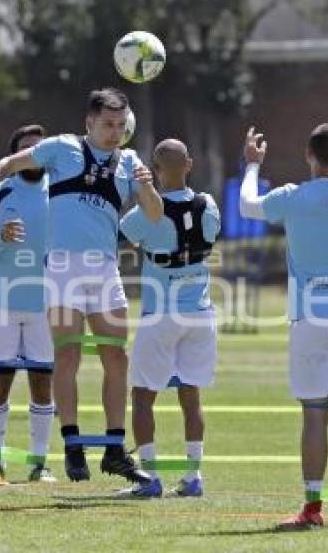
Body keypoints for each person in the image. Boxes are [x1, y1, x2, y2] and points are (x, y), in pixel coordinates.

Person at [0, 88, 162, 484]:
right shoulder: (62, 149)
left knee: (117, 357)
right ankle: (72, 445)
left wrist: (148, 187)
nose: (115, 132)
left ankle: (115, 448)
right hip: (64, 266)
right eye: (107, 125)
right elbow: (5, 164)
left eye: (121, 125)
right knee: (67, 357)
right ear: (89, 123)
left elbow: (153, 216)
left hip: (104, 268)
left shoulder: (130, 162)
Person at [239, 124, 328, 529]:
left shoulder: (293, 197)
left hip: (309, 319)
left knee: (315, 416)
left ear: (309, 156)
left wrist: (252, 165)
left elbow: (248, 206)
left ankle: (314, 509)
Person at [118, 139, 220, 498]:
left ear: (156, 170)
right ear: (189, 163)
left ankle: (150, 479)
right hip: (200, 313)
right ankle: (193, 477)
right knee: (190, 396)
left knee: (143, 396)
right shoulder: (208, 205)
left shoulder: (145, 214)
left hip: (160, 314)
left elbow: (121, 238)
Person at [0, 124, 55, 483]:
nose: (31, 156)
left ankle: (39, 464)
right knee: (0, 380)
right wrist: (0, 238)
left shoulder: (61, 191)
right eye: (25, 150)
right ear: (13, 158)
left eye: (38, 149)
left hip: (47, 304)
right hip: (3, 302)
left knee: (42, 382)